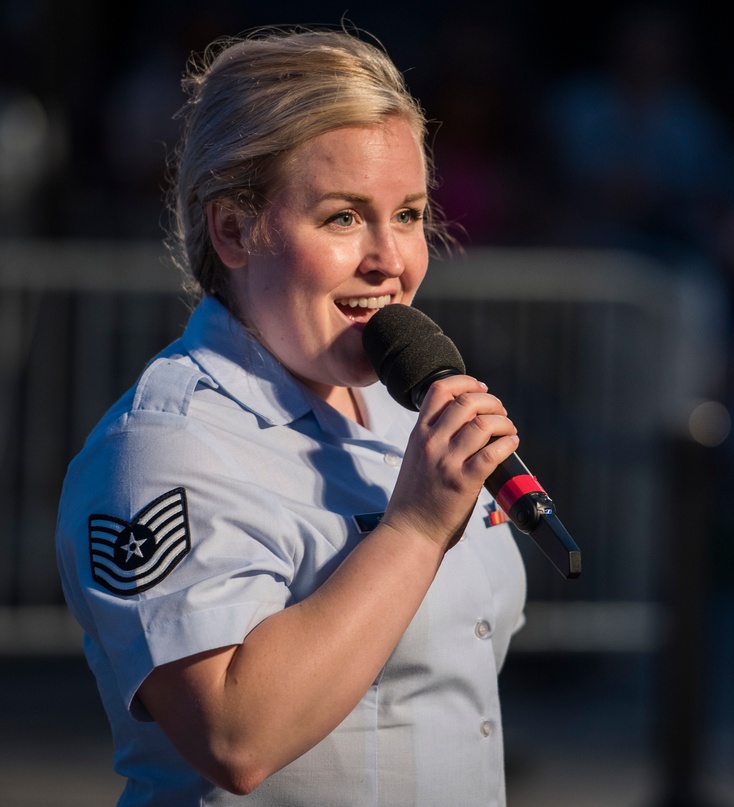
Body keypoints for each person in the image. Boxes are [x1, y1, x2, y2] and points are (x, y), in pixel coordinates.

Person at [55, 26, 527, 806]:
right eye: (344, 218)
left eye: (407, 214)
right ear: (235, 229)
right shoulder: (162, 446)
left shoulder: (402, 405)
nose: (391, 257)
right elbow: (235, 737)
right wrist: (412, 529)